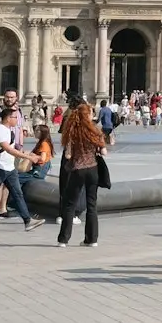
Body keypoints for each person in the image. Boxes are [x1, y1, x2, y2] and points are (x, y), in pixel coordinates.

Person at [0, 106, 45, 232]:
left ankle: (27, 221)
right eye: (15, 117)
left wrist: (27, 154)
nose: (17, 120)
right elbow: (7, 148)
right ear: (8, 118)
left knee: (18, 194)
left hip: (9, 168)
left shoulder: (8, 130)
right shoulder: (0, 130)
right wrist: (28, 157)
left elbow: (12, 148)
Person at [56, 102, 109, 248]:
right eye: (91, 113)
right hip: (93, 170)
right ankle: (91, 239)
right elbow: (104, 152)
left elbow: (67, 155)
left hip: (77, 170)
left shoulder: (72, 131)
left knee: (69, 204)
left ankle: (63, 239)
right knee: (92, 204)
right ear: (88, 115)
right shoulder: (96, 131)